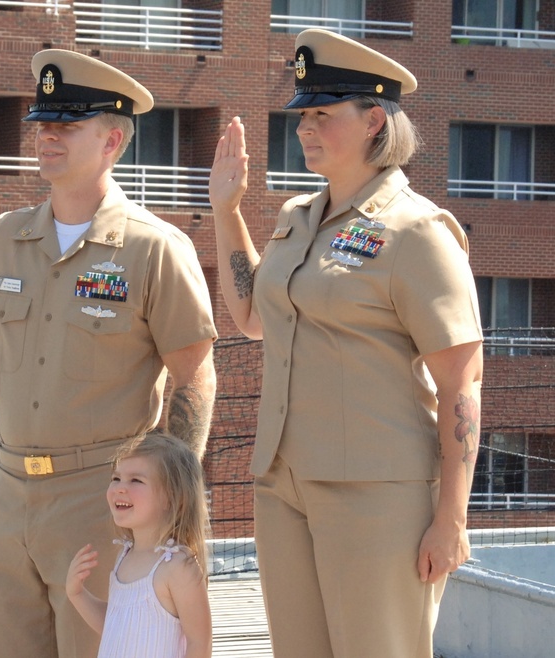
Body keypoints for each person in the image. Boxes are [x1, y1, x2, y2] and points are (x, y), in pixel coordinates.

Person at [0, 49, 217, 658]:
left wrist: (169, 503)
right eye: (43, 123)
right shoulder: (6, 236)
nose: (47, 134)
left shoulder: (154, 249)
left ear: (113, 139)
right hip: (11, 490)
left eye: (67, 124)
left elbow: (194, 376)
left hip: (101, 496)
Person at [207, 29, 484, 658]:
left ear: (375, 121)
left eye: (323, 115)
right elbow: (252, 315)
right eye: (304, 114)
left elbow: (461, 382)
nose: (306, 128)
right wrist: (227, 210)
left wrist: (452, 519)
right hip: (283, 485)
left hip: (376, 494)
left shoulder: (417, 232)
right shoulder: (297, 218)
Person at [66, 432, 212, 658]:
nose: (120, 488)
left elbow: (199, 643)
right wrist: (76, 593)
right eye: (116, 478)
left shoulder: (178, 566)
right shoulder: (124, 556)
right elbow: (116, 626)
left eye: (136, 480)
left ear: (172, 498)